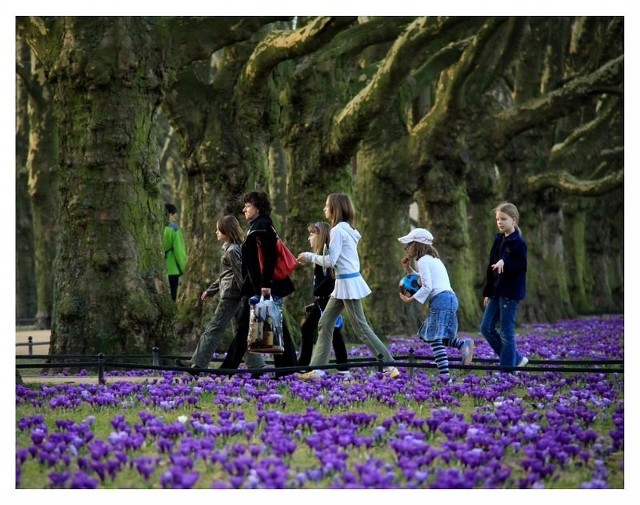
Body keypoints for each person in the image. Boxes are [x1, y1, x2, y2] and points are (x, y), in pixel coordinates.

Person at [296, 192, 399, 380]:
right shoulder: (347, 229)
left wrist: (309, 256)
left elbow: (331, 261)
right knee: (325, 323)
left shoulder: (337, 231)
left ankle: (389, 365)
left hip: (348, 284)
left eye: (327, 206)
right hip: (343, 284)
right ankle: (317, 370)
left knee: (361, 327)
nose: (324, 209)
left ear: (335, 208)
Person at [219, 191, 298, 376]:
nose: (244, 209)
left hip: (263, 287)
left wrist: (265, 285)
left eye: (248, 205)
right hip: (257, 287)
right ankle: (287, 368)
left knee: (265, 327)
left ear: (258, 208)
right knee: (269, 326)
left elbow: (269, 258)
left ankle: (228, 369)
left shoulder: (262, 226)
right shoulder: (257, 226)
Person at [175, 215, 264, 373]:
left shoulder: (233, 250)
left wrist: (247, 298)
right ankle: (258, 366)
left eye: (219, 230)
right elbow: (225, 276)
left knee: (213, 329)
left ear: (227, 232)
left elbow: (240, 276)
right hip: (232, 295)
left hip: (231, 297)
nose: (216, 232)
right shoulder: (229, 248)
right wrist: (211, 290)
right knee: (241, 333)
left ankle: (197, 364)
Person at [397, 228, 474, 382]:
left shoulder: (423, 260)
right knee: (432, 336)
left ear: (417, 245)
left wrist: (409, 300)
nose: (406, 248)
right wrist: (408, 269)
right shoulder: (433, 259)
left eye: (409, 244)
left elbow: (427, 286)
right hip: (449, 299)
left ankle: (445, 377)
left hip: (441, 300)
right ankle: (461, 344)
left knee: (434, 339)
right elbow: (424, 279)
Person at [480, 201, 529, 371]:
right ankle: (515, 359)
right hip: (496, 292)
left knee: (506, 332)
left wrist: (505, 262)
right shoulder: (499, 239)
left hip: (510, 292)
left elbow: (520, 267)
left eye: (503, 219)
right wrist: (488, 291)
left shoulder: (518, 243)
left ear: (513, 220)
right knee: (485, 328)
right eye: (498, 219)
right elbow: (491, 268)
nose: (500, 222)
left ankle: (507, 371)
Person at [298, 222, 349, 375]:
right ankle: (342, 367)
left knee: (312, 329)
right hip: (321, 299)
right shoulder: (320, 253)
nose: (309, 238)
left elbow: (331, 278)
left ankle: (304, 365)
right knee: (331, 331)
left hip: (326, 299)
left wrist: (317, 292)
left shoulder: (325, 253)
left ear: (320, 236)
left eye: (312, 234)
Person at [163, 203, 187, 301]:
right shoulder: (174, 229)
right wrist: (183, 268)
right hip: (172, 269)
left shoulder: (152, 227)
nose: (174, 219)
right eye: (174, 217)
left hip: (156, 271)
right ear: (170, 214)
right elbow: (179, 252)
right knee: (172, 299)